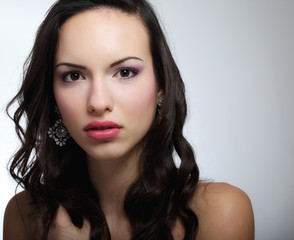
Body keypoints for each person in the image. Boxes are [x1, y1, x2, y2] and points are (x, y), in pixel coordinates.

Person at [3, 0, 254, 239]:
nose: (98, 102)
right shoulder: (24, 215)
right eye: (74, 76)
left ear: (162, 85)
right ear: (52, 92)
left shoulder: (220, 213)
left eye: (125, 72)